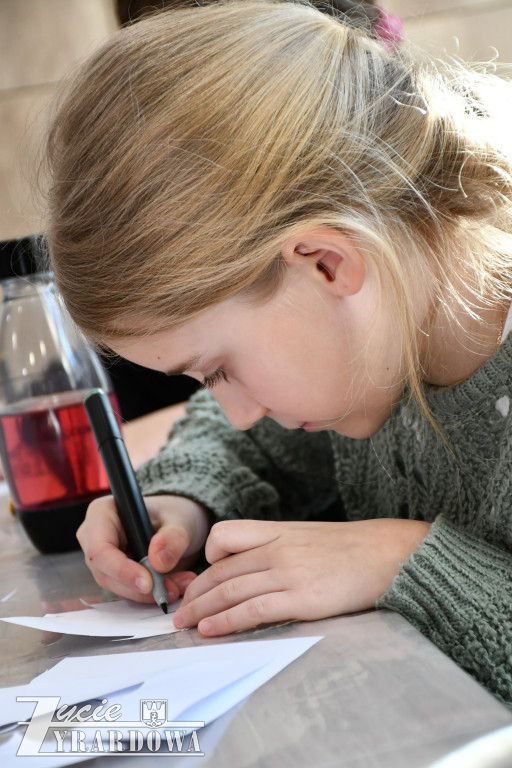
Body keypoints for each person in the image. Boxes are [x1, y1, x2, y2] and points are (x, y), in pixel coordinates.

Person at [43, 0, 512, 707]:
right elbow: (249, 446)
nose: (232, 410)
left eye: (219, 368)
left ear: (324, 262)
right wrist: (185, 501)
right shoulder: (368, 341)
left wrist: (406, 560)